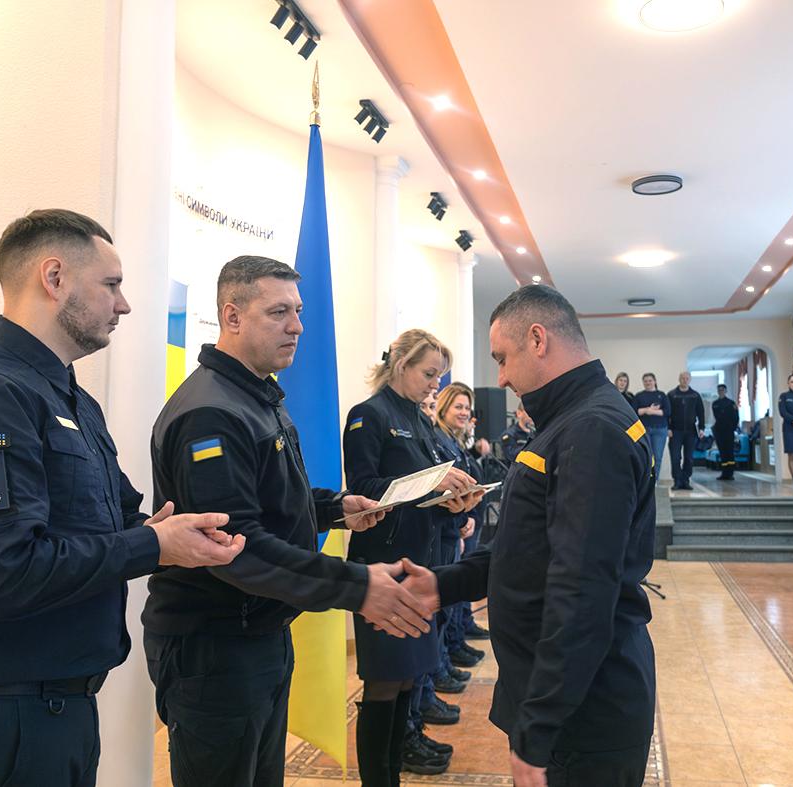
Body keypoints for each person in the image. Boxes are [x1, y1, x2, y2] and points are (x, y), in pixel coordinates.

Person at [0, 209, 246, 787]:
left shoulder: (69, 398)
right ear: (55, 277)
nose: (124, 304)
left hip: (58, 714)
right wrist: (150, 546)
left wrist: (169, 535)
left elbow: (112, 521)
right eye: (111, 284)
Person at [140, 256, 436, 786]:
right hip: (216, 646)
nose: (297, 326)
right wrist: (357, 586)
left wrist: (334, 509)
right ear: (232, 317)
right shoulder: (212, 412)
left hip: (259, 632)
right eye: (279, 312)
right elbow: (238, 544)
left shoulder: (256, 395)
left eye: (298, 311)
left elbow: (268, 499)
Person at [407, 284, 657, 787]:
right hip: (572, 701)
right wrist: (442, 585)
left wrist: (539, 726)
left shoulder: (591, 429)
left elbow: (581, 588)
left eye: (502, 358)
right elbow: (528, 549)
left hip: (586, 711)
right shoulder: (570, 418)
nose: (500, 377)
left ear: (538, 339)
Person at [342, 329, 484, 786]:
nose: (435, 384)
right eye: (429, 374)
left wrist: (454, 502)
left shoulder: (420, 420)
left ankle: (396, 765)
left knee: (407, 678)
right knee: (384, 682)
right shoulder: (368, 415)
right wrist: (432, 485)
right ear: (401, 365)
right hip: (385, 566)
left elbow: (424, 492)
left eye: (439, 376)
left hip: (420, 563)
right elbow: (364, 490)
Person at [667, 371, 705, 490]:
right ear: (679, 379)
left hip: (691, 431)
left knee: (689, 458)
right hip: (675, 431)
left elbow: (701, 412)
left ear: (690, 380)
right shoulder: (672, 395)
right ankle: (677, 481)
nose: (685, 380)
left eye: (687, 378)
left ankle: (686, 480)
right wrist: (668, 428)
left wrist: (702, 428)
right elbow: (667, 413)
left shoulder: (695, 395)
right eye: (682, 378)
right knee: (675, 457)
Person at [633, 373, 671, 483]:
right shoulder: (639, 396)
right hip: (643, 430)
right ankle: (645, 482)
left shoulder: (662, 395)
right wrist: (647, 410)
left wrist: (651, 411)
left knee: (657, 457)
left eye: (650, 380)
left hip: (660, 430)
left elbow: (667, 412)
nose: (648, 383)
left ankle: (654, 482)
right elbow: (634, 411)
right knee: (645, 457)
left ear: (655, 381)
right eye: (645, 381)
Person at [711, 384, 741, 481]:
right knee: (722, 452)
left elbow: (736, 417)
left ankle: (730, 473)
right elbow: (717, 417)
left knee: (729, 452)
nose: (721, 392)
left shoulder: (731, 403)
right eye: (719, 390)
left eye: (722, 390)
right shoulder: (715, 404)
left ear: (725, 391)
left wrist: (732, 428)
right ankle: (724, 473)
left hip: (729, 430)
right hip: (719, 431)